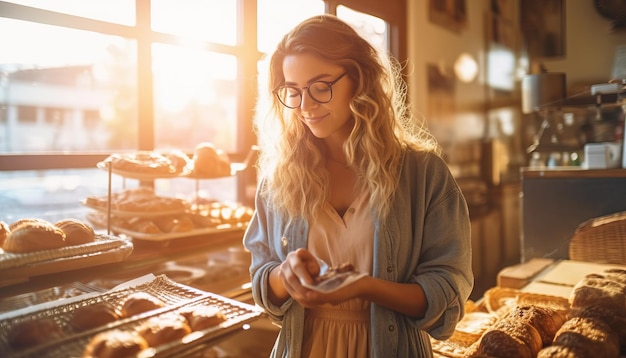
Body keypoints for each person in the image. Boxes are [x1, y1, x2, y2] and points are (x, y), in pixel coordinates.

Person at [243, 14, 473, 358]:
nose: (305, 106)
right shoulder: (280, 177)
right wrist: (283, 275)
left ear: (358, 79)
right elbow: (262, 279)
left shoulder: (422, 173)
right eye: (292, 91)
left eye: (321, 86)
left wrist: (367, 287)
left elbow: (448, 289)